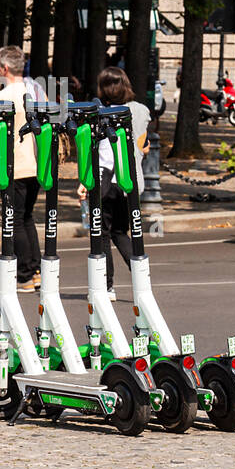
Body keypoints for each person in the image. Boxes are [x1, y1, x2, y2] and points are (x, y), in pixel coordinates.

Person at [78, 67, 151, 300]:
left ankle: (107, 286)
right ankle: (141, 278)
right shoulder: (141, 111)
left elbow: (98, 152)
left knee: (102, 234)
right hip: (130, 181)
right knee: (121, 231)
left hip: (105, 179)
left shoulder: (98, 113)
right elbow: (143, 145)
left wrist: (85, 181)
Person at [0, 45, 45, 292]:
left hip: (16, 164)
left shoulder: (1, 97)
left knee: (14, 220)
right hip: (37, 162)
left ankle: (24, 273)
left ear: (4, 68)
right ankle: (36, 271)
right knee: (27, 218)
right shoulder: (36, 90)